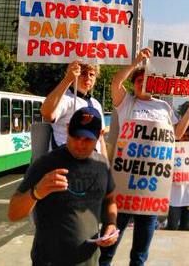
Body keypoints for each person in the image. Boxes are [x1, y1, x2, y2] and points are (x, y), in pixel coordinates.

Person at [100, 48, 189, 266]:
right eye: (137, 80)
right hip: (125, 181)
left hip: (152, 185)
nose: (141, 83)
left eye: (146, 80)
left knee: (141, 249)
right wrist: (136, 63)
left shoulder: (164, 106)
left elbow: (175, 135)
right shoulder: (127, 103)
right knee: (111, 237)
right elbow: (116, 83)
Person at [8, 107, 118, 265]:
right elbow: (13, 213)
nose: (80, 144)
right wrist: (36, 193)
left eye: (87, 139)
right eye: (75, 136)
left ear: (99, 136)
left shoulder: (101, 164)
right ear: (67, 130)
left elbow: (110, 199)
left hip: (90, 261)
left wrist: (111, 224)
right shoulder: (45, 164)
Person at [41, 60, 107, 157]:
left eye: (92, 74)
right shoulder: (65, 98)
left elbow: (100, 139)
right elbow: (47, 113)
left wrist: (106, 166)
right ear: (75, 74)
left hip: (92, 163)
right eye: (83, 73)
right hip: (67, 161)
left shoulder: (96, 103)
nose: (88, 77)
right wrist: (67, 79)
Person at [166, 127, 189, 231]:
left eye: (188, 136)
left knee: (186, 228)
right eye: (184, 135)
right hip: (175, 199)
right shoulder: (171, 150)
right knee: (172, 227)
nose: (186, 138)